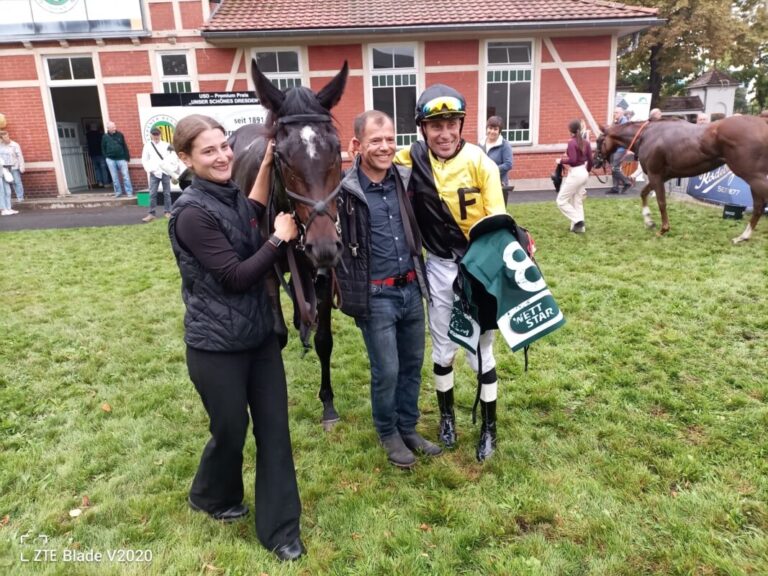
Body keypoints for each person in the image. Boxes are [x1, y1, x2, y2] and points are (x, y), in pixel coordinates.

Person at [167, 114, 305, 562]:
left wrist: (265, 165)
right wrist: (278, 242)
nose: (223, 155)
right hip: (215, 348)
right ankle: (211, 494)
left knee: (274, 433)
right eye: (208, 151)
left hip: (259, 339)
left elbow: (253, 211)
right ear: (186, 159)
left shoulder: (229, 196)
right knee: (230, 431)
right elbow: (234, 276)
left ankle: (280, 530)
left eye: (224, 145)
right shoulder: (190, 213)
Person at [394, 84, 507, 462]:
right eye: (435, 125)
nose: (444, 133)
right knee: (442, 348)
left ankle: (489, 426)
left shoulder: (481, 162)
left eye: (451, 124)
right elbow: (374, 163)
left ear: (461, 125)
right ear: (422, 129)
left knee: (481, 350)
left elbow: (497, 222)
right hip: (438, 267)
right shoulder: (410, 158)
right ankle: (447, 418)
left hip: (478, 266)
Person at [338, 110, 441, 469]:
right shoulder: (344, 191)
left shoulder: (407, 179)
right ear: (357, 145)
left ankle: (408, 426)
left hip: (412, 289)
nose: (385, 147)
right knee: (388, 369)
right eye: (375, 141)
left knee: (412, 364)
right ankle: (388, 432)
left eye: (389, 139)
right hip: (376, 295)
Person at [555, 119, 593, 234]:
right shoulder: (586, 142)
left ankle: (578, 220)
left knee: (561, 201)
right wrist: (587, 171)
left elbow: (572, 160)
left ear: (570, 130)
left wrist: (560, 161)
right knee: (577, 200)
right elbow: (591, 160)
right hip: (584, 172)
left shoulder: (571, 142)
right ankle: (579, 228)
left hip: (575, 173)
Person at [140, 127, 177, 221]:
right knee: (152, 194)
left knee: (167, 193)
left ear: (160, 135)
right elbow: (145, 159)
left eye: (157, 134)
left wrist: (171, 170)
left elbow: (172, 158)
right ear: (151, 135)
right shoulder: (147, 146)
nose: (156, 136)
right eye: (154, 134)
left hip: (165, 172)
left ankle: (168, 212)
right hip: (154, 173)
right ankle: (151, 214)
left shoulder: (166, 145)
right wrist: (150, 169)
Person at [480, 116, 513, 203]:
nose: (492, 131)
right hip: (483, 184)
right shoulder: (481, 144)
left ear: (499, 131)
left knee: (498, 214)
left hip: (499, 184)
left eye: (495, 129)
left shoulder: (505, 145)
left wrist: (491, 170)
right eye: (490, 128)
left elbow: (508, 164)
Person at [101, 121, 133, 197]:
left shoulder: (120, 135)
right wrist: (106, 157)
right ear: (108, 128)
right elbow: (103, 148)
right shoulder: (105, 137)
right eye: (112, 127)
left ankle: (129, 192)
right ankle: (118, 192)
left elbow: (124, 146)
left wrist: (127, 157)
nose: (114, 128)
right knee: (114, 177)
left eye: (114, 126)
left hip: (121, 158)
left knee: (125, 176)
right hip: (110, 159)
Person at [606, 106, 633, 195]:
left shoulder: (624, 123)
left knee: (615, 168)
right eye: (614, 112)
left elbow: (619, 135)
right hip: (615, 148)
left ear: (621, 113)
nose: (614, 114)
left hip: (621, 148)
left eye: (616, 113)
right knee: (614, 168)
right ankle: (615, 187)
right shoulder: (617, 122)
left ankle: (627, 182)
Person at [0, 130, 25, 202]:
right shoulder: (1, 145)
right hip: (4, 167)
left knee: (16, 182)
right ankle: (6, 199)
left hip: (14, 166)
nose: (6, 138)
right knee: (6, 183)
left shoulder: (14, 145)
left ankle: (20, 197)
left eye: (6, 136)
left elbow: (20, 156)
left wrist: (22, 166)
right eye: (3, 137)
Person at [85, 123, 110, 188]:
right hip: (100, 153)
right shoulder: (100, 135)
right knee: (103, 168)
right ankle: (106, 182)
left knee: (97, 169)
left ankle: (100, 182)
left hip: (93, 154)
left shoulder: (88, 135)